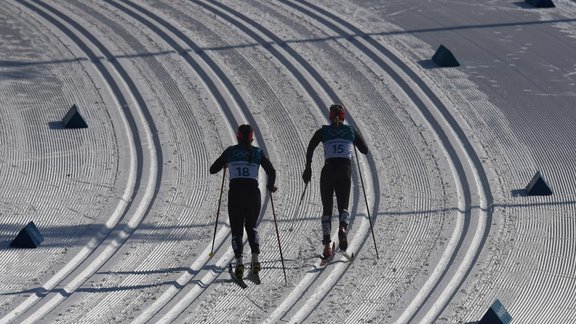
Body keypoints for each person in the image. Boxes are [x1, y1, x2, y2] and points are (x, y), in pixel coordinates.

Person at [210, 124, 277, 279]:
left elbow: (213, 169)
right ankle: (255, 259)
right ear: (252, 137)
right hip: (253, 193)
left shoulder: (230, 151)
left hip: (236, 194)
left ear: (238, 136)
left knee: (237, 230)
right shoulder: (258, 152)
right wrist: (270, 185)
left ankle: (239, 262)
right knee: (251, 226)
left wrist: (226, 163)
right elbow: (271, 171)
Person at [302, 104, 368, 258]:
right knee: (343, 205)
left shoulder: (323, 131)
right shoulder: (350, 131)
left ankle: (326, 246)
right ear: (343, 117)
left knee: (327, 208)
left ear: (330, 116)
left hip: (328, 170)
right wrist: (352, 140)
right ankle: (343, 228)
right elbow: (364, 150)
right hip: (344, 170)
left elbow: (310, 147)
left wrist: (308, 167)